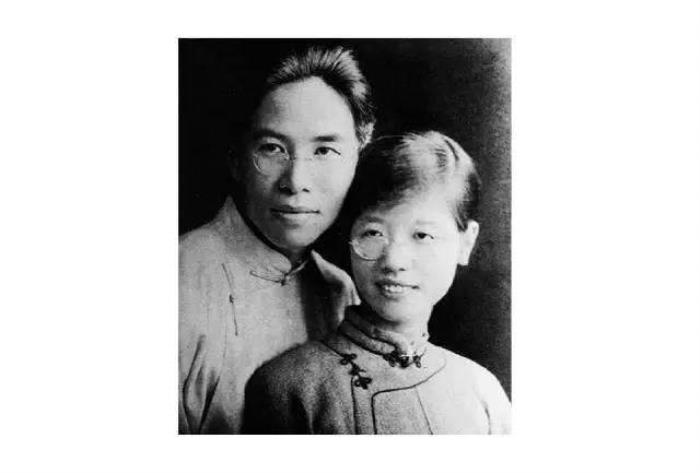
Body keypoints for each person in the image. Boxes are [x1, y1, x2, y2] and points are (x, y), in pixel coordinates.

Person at [243, 131, 511, 434]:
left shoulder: (482, 392)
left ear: (466, 242)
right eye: (373, 233)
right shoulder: (289, 389)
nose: (394, 260)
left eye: (422, 235)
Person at [179, 46, 375, 434]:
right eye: (272, 148)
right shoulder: (179, 280)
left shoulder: (341, 290)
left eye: (325, 150)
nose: (296, 181)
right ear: (236, 158)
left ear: (358, 158)